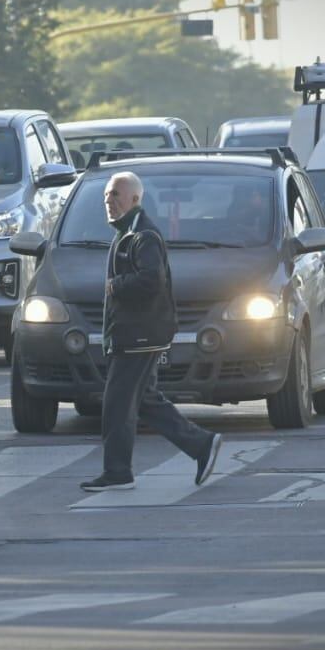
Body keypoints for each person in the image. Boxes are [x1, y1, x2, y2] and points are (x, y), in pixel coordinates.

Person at [81, 171, 222, 492]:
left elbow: (151, 280)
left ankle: (117, 473)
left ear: (134, 199)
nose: (109, 201)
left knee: (116, 404)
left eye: (116, 195)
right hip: (133, 336)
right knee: (145, 401)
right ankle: (202, 445)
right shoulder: (126, 234)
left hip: (138, 338)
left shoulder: (143, 236)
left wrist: (116, 285)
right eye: (106, 196)